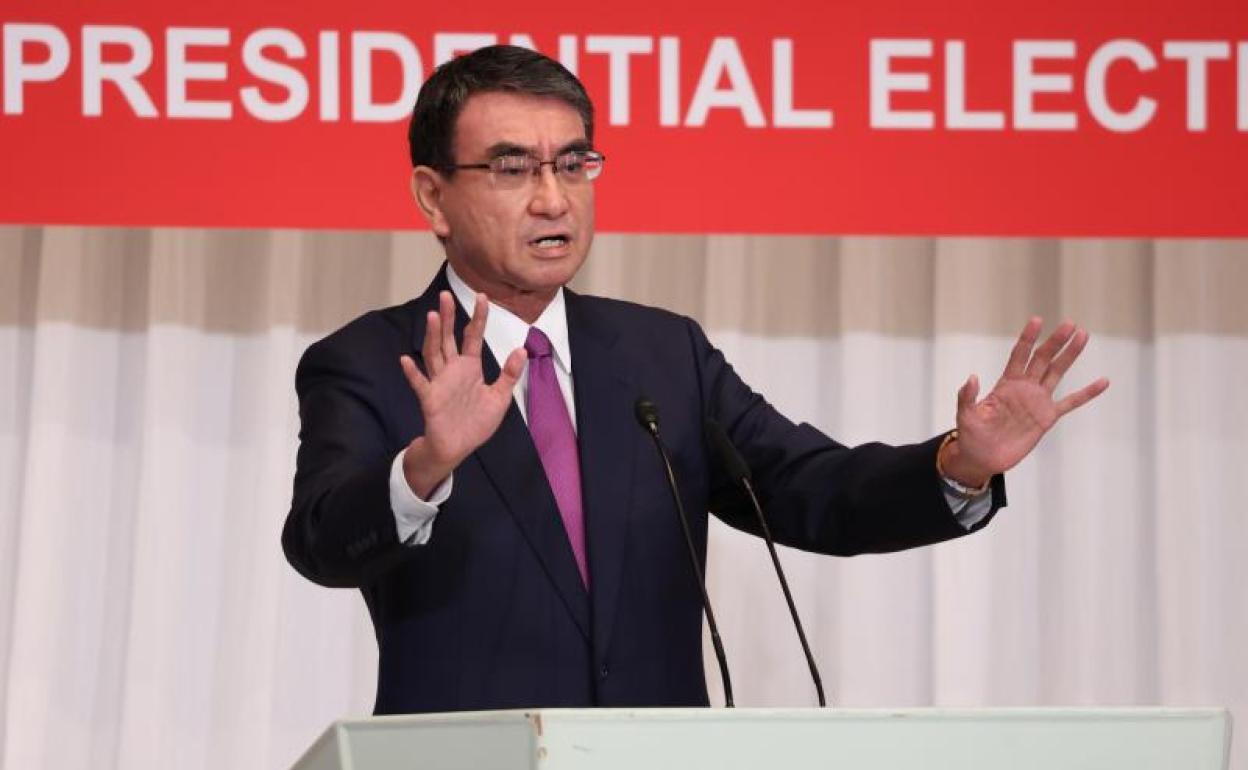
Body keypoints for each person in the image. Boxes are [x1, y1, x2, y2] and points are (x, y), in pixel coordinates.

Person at [281, 45, 1108, 715]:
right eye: (512, 169)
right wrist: (426, 466)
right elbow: (319, 542)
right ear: (433, 197)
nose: (553, 200)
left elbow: (806, 487)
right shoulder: (369, 362)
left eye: (572, 164)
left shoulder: (660, 354)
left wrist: (960, 464)